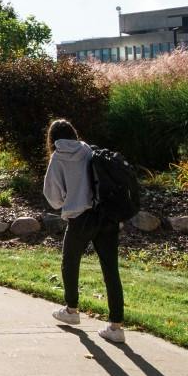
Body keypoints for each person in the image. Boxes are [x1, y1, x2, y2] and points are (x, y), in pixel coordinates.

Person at [41, 117, 125, 344]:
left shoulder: (58, 158)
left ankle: (72, 310)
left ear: (53, 139)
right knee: (111, 270)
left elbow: (53, 198)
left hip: (81, 217)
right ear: (73, 133)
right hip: (106, 216)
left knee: (70, 263)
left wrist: (70, 198)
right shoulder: (88, 149)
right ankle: (116, 326)